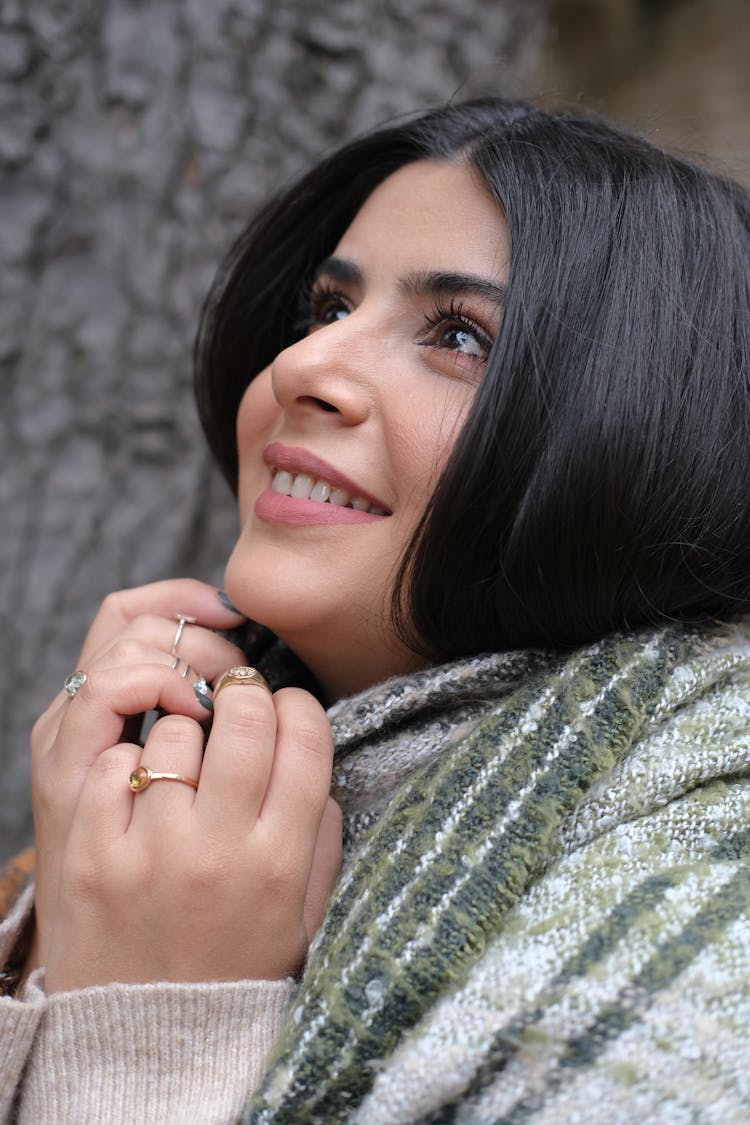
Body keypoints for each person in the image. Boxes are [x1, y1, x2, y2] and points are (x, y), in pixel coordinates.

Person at [1, 96, 750, 1123]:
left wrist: (147, 1045)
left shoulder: (707, 940)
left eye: (458, 335)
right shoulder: (167, 761)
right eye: (329, 309)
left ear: (647, 437)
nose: (305, 366)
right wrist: (53, 935)